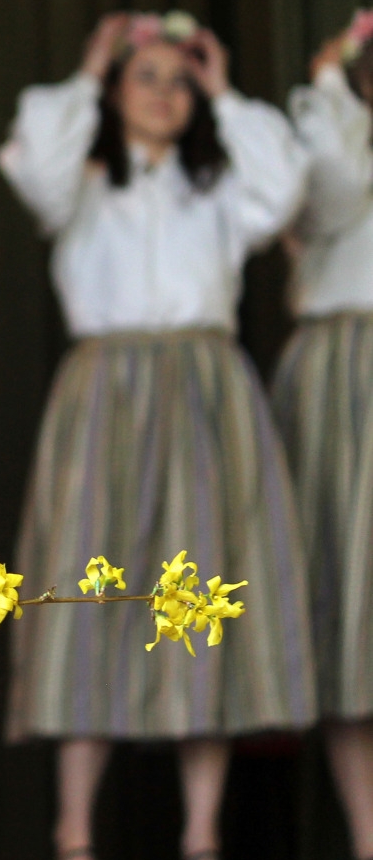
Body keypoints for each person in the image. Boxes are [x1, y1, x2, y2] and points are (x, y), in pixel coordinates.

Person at [0, 13, 317, 860]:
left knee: (198, 593)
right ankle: (74, 832)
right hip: (104, 392)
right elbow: (36, 164)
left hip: (204, 391)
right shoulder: (83, 187)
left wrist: (225, 90)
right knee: (88, 594)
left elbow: (283, 186)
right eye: (148, 78)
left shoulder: (214, 191)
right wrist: (91, 64)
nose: (165, 94)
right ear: (114, 90)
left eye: (180, 82)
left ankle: (201, 832)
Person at [279, 13, 373, 860]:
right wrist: (335, 78)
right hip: (345, 363)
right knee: (347, 607)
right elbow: (337, 190)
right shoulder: (325, 129)